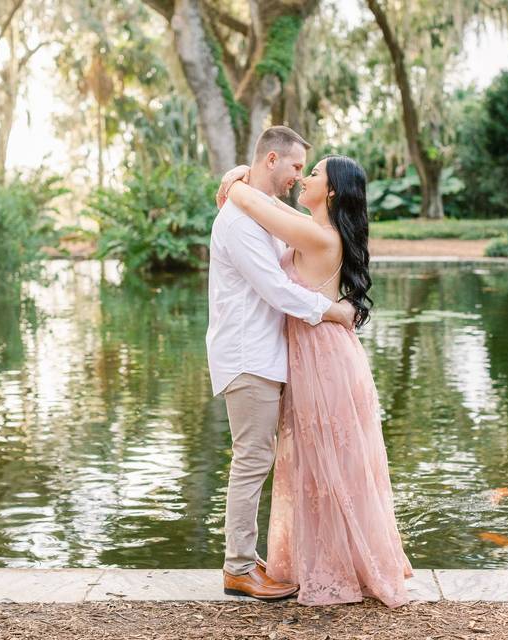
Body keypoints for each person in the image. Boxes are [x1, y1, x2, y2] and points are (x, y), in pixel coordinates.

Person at [216, 153, 413, 608]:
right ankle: (338, 558)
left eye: (315, 172)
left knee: (333, 467)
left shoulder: (317, 235)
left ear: (331, 192)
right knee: (323, 467)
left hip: (324, 360)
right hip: (317, 355)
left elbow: (253, 201)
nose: (304, 177)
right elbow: (275, 209)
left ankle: (344, 564)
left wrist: (236, 180)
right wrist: (243, 184)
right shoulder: (315, 228)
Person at [207, 126, 356, 601]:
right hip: (247, 356)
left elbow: (298, 231)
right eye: (295, 167)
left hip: (266, 354)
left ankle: (247, 558)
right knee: (251, 460)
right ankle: (237, 568)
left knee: (258, 458)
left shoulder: (262, 213)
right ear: (272, 160)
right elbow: (274, 288)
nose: (298, 177)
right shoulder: (239, 220)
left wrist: (237, 180)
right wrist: (332, 311)